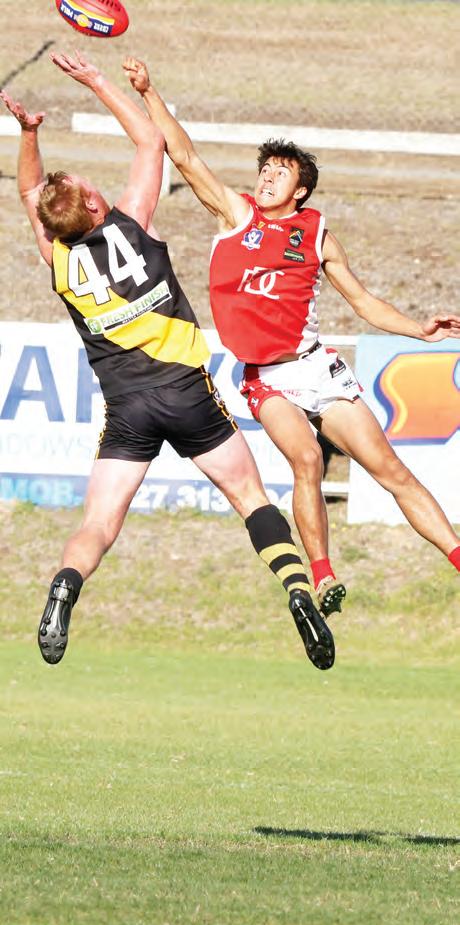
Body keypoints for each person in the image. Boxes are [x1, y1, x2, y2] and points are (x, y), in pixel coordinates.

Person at [0, 52, 335, 672]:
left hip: (128, 409)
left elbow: (28, 190)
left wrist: (28, 135)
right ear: (94, 206)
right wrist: (98, 81)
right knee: (250, 497)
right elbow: (150, 140)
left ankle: (64, 589)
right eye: (91, 189)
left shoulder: (59, 260)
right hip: (187, 395)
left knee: (99, 523)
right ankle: (296, 590)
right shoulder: (133, 223)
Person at [123, 56, 460, 600]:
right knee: (307, 459)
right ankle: (323, 575)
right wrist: (148, 90)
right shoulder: (236, 216)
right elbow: (182, 155)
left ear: (300, 190)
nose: (267, 176)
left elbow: (363, 302)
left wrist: (420, 331)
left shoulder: (317, 234)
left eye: (280, 172)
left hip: (316, 366)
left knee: (390, 471)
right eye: (265, 169)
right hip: (267, 376)